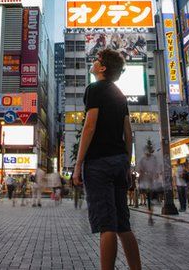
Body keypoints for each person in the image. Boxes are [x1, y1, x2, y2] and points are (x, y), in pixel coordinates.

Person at [73, 49, 142, 270]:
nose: (93, 62)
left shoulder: (94, 89)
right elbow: (128, 133)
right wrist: (128, 165)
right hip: (119, 160)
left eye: (97, 60)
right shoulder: (120, 94)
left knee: (106, 225)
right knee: (123, 224)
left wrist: (78, 164)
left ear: (102, 68)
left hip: (98, 162)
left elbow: (90, 126)